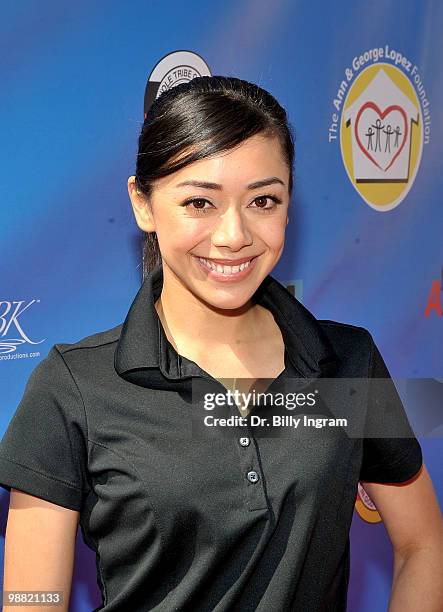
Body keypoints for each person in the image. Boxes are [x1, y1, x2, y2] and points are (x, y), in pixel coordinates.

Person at [0, 76, 442, 612]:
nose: (234, 235)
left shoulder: (348, 361)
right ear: (143, 204)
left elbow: (423, 544)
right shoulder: (74, 387)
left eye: (262, 200)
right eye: (199, 203)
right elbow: (32, 599)